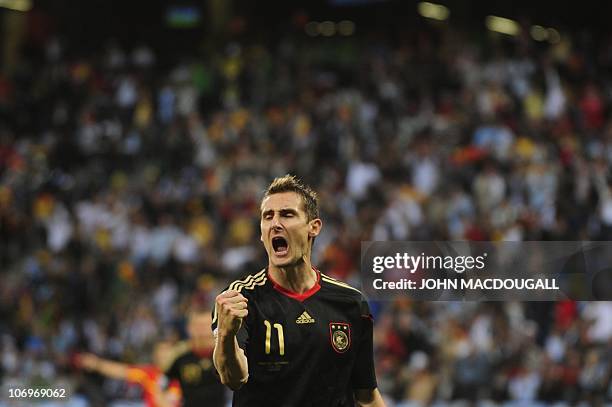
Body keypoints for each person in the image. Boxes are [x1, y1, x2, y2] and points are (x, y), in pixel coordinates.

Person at [212, 175, 386, 406]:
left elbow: (366, 396)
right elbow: (234, 377)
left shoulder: (351, 303)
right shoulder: (240, 299)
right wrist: (226, 335)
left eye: (287, 214)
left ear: (313, 227)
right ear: (262, 234)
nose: (275, 223)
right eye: (268, 216)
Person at [77, 340, 181, 407]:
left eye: (168, 354)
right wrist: (97, 364)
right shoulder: (148, 373)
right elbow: (121, 371)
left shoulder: (180, 376)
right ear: (155, 356)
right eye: (161, 354)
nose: (164, 358)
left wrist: (157, 391)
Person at [165, 307, 227, 407]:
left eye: (205, 325)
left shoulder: (224, 354)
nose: (202, 330)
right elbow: (165, 383)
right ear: (189, 328)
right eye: (198, 326)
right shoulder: (180, 357)